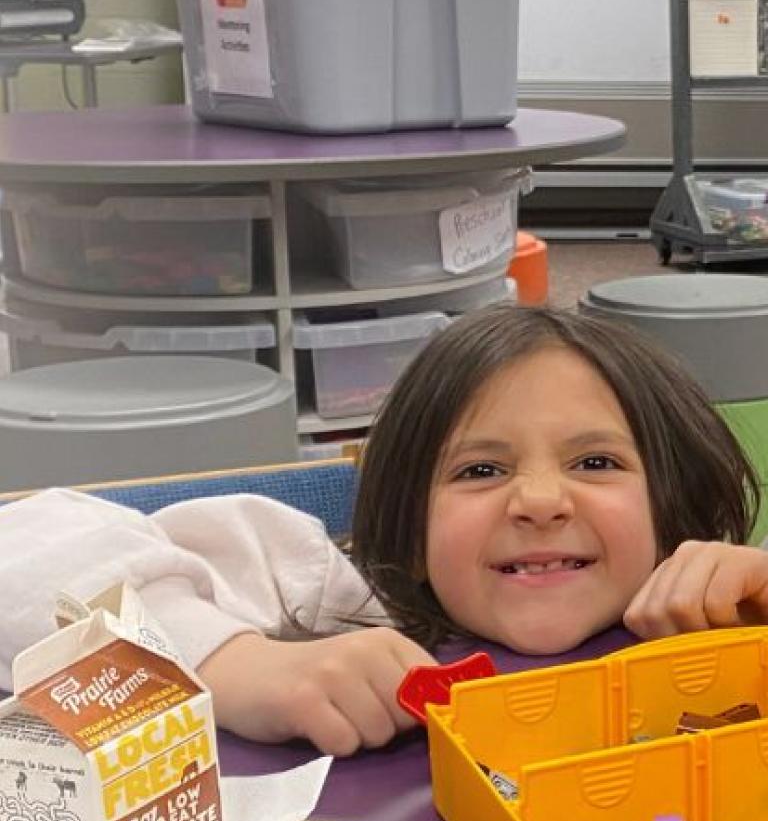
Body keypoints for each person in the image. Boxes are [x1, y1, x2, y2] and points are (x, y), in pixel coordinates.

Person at [2, 303, 768, 758]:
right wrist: (237, 666)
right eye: (479, 471)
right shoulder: (323, 591)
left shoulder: (712, 614)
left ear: (674, 512)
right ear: (406, 526)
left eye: (595, 461)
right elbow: (27, 544)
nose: (539, 501)